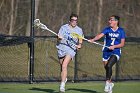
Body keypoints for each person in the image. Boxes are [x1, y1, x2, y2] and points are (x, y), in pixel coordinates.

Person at [89, 15, 126, 93]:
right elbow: (100, 35)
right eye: (109, 20)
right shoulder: (107, 29)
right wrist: (93, 39)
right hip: (106, 51)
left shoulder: (121, 31)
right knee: (107, 68)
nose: (109, 21)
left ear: (116, 21)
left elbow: (122, 44)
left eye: (111, 20)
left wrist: (114, 46)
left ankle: (107, 83)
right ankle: (110, 84)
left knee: (109, 65)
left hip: (115, 52)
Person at [56, 13, 83, 92]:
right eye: (73, 20)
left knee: (64, 65)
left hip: (71, 49)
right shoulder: (63, 28)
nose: (74, 22)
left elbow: (80, 39)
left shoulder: (79, 30)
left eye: (76, 21)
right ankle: (64, 78)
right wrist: (59, 38)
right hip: (61, 48)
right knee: (62, 66)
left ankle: (62, 85)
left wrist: (80, 45)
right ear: (69, 21)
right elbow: (59, 38)